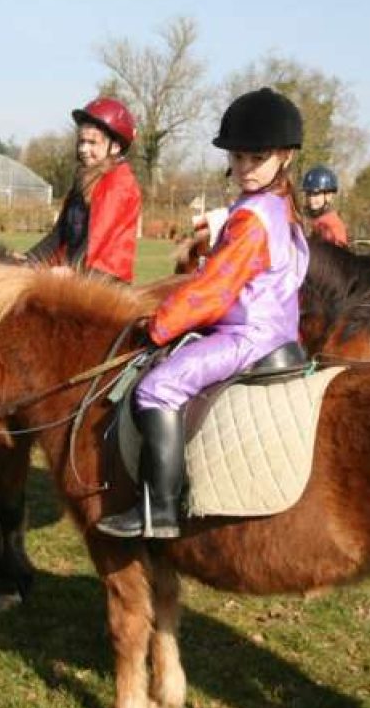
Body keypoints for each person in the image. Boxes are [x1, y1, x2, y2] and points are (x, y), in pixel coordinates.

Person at [97, 87, 309, 539]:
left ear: (285, 157)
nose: (245, 168)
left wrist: (159, 325)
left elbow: (214, 290)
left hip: (247, 336)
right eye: (238, 158)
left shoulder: (253, 216)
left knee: (157, 387)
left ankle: (160, 510)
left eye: (257, 158)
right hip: (276, 331)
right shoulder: (278, 207)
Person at [27, 97, 141, 283]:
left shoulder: (119, 184)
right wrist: (27, 261)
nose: (84, 149)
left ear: (116, 146)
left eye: (92, 143)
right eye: (81, 142)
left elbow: (96, 238)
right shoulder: (83, 179)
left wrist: (69, 270)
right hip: (78, 271)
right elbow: (59, 234)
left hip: (104, 278)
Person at [301, 165, 348, 246]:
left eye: (316, 194)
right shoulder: (316, 223)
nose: (311, 199)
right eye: (308, 194)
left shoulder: (332, 227)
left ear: (328, 196)